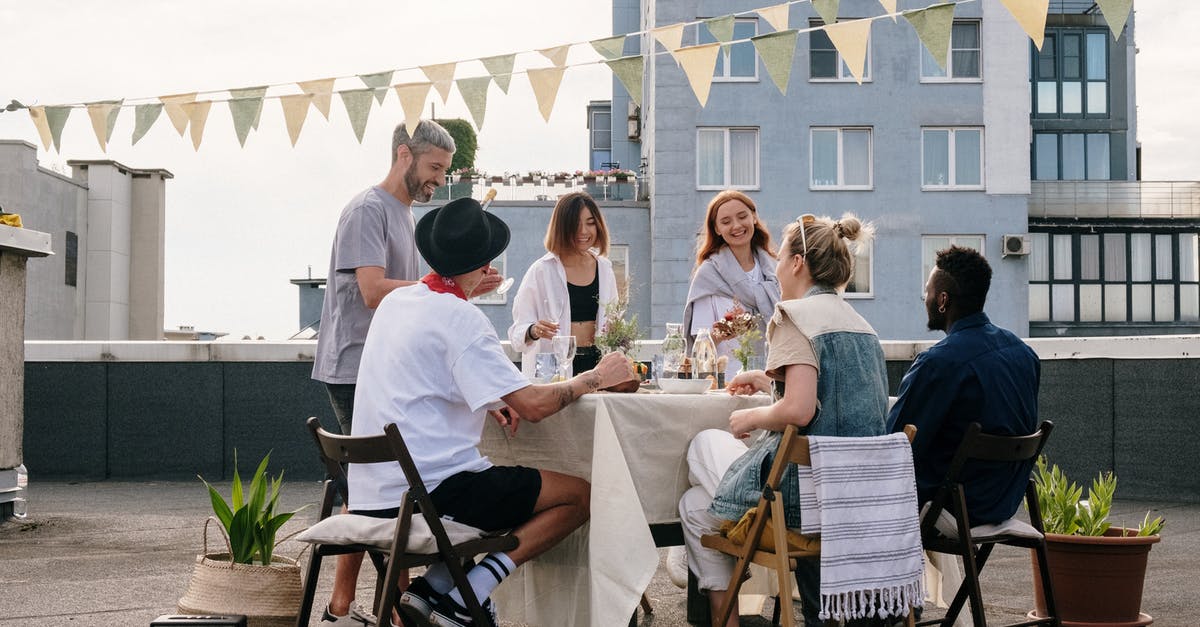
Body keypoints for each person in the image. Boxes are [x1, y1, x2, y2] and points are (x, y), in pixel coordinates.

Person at [348, 197, 635, 627]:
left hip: (372, 499)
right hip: (432, 496)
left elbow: (422, 380)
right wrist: (595, 377)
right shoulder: (460, 317)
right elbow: (535, 407)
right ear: (485, 266)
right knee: (580, 494)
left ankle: (436, 588)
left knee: (504, 483)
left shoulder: (398, 303)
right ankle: (471, 593)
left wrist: (493, 399)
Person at [311, 119, 501, 626]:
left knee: (391, 490)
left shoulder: (408, 214)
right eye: (435, 168)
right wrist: (441, 290)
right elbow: (374, 291)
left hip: (386, 362)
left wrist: (462, 288)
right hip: (356, 364)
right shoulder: (368, 210)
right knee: (374, 491)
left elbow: (421, 299)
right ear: (403, 156)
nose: (439, 179)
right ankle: (344, 608)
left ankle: (387, 609)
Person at [679, 214, 888, 627]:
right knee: (695, 505)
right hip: (857, 498)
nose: (774, 268)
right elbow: (831, 397)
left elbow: (799, 411)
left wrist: (748, 417)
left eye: (780, 260)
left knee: (702, 445)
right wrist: (766, 381)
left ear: (797, 263)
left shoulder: (792, 315)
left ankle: (726, 620)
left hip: (803, 499)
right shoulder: (864, 327)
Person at [887, 246, 1041, 524]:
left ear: (943, 300)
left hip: (955, 504)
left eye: (928, 291)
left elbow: (896, 443)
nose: (925, 298)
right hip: (1005, 500)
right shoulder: (1024, 354)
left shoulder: (939, 363)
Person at [508, 192, 618, 377]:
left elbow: (615, 320)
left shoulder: (605, 268)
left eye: (590, 223)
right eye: (575, 224)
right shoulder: (541, 270)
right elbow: (516, 334)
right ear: (562, 227)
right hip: (556, 368)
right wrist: (533, 330)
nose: (584, 231)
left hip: (598, 365)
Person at [683, 190, 780, 382]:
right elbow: (700, 342)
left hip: (769, 379)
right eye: (726, 222)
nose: (736, 226)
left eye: (742, 216)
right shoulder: (708, 275)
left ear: (754, 217)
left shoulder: (774, 270)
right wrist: (726, 330)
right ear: (717, 229)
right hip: (727, 382)